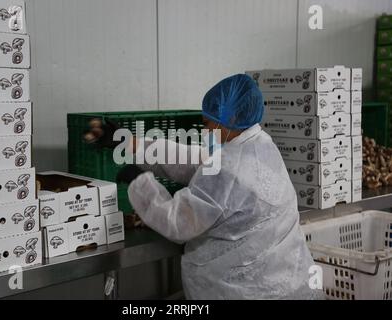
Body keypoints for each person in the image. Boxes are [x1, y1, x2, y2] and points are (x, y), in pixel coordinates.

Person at [84, 74, 322, 300]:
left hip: (246, 289)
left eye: (208, 123)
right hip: (285, 281)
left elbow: (178, 222)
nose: (205, 131)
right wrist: (130, 143)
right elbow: (200, 160)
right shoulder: (257, 144)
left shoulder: (229, 170)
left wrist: (141, 183)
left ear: (228, 119)